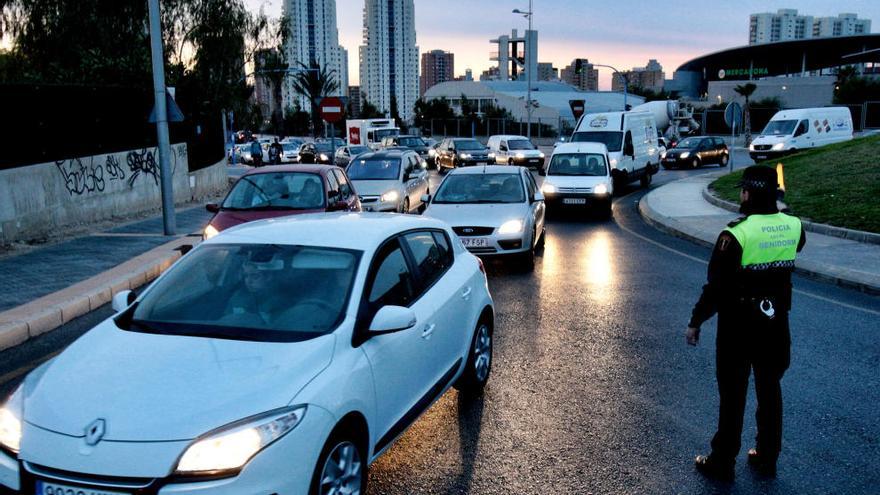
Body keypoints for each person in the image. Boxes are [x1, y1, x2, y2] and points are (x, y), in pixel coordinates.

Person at [686, 165, 806, 481]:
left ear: (747, 194)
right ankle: (766, 457)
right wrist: (779, 210)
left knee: (733, 395)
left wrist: (696, 320)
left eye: (742, 190)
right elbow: (799, 243)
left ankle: (722, 461)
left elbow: (715, 287)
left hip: (738, 328)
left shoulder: (735, 234)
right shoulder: (793, 226)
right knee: (770, 391)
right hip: (776, 324)